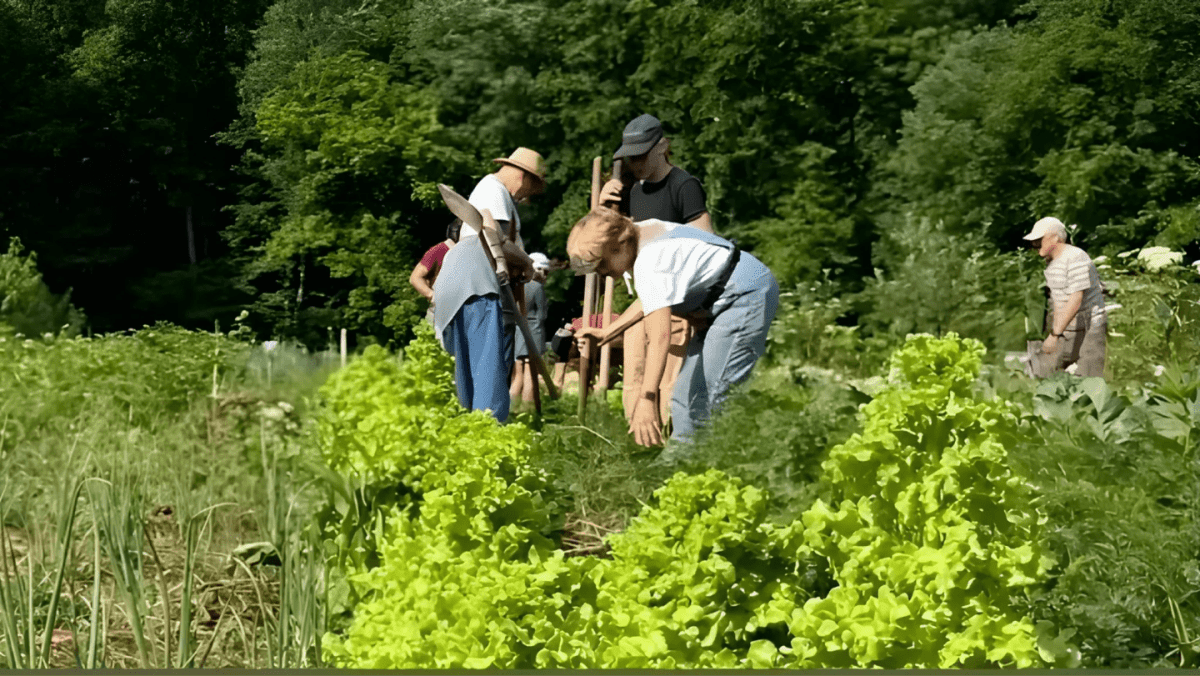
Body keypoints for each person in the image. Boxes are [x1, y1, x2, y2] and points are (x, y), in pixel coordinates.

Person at [568, 207, 779, 454]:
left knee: (714, 395)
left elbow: (660, 336)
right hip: (719, 301)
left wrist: (646, 398)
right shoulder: (642, 232)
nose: (601, 272)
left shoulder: (650, 258)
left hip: (744, 295)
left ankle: (722, 459)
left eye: (601, 264)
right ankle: (681, 461)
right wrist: (608, 332)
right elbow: (653, 296)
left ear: (620, 245)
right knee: (685, 395)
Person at [597, 113, 713, 425]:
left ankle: (671, 444)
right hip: (641, 300)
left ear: (662, 146)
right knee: (634, 378)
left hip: (675, 303)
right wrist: (604, 207)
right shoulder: (630, 191)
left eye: (640, 155)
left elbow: (706, 242)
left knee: (668, 384)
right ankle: (637, 442)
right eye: (630, 157)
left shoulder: (684, 186)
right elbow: (603, 243)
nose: (634, 163)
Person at [433, 147, 547, 422]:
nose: (526, 196)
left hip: (456, 278)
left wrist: (523, 268)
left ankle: (467, 433)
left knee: (467, 374)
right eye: (530, 190)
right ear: (523, 177)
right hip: (476, 281)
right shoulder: (495, 191)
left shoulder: (488, 189)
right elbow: (495, 239)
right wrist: (527, 263)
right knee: (487, 372)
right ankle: (488, 433)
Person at [1023, 216, 1107, 378]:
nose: (1034, 244)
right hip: (1069, 326)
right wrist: (1057, 331)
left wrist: (1055, 335)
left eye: (1039, 240)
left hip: (1090, 324)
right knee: (1044, 370)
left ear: (1055, 238)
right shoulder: (1052, 263)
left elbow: (1076, 299)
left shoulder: (1075, 257)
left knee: (1089, 376)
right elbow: (1058, 302)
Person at [510, 252, 551, 404]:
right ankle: (528, 410)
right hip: (533, 334)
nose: (545, 275)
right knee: (530, 376)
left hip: (518, 333)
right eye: (544, 271)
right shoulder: (537, 287)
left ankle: (512, 409)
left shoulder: (517, 286)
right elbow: (542, 315)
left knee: (518, 376)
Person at [410, 219, 461, 322]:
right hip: (440, 312)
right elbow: (415, 278)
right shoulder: (439, 250)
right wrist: (433, 296)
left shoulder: (472, 252)